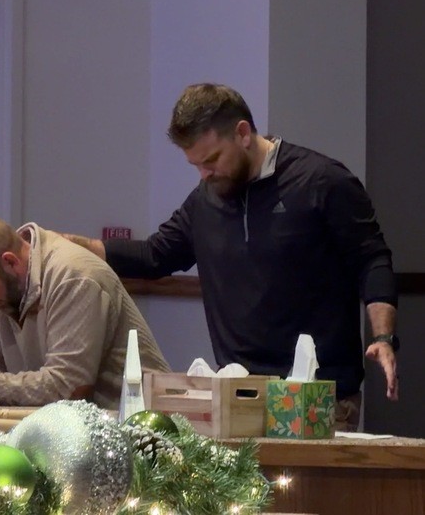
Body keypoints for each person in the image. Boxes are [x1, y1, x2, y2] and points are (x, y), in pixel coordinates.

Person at [64, 83, 399, 430]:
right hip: (237, 393)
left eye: (211, 160)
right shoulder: (206, 200)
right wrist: (71, 245)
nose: (204, 174)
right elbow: (154, 255)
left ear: (242, 133)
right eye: (196, 165)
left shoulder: (321, 181)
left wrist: (383, 338)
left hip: (317, 395)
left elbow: (372, 260)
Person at [0, 212, 170, 408]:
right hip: (66, 428)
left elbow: (68, 387)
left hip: (141, 427)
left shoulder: (74, 276)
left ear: (10, 262)